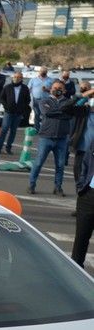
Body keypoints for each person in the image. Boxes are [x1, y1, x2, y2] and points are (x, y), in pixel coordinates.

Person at [28, 80, 75, 196]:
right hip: (46, 137)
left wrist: (57, 112)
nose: (56, 89)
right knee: (38, 163)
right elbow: (46, 113)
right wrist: (62, 112)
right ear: (51, 88)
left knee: (60, 165)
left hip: (62, 138)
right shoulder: (45, 100)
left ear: (64, 90)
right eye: (54, 87)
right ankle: (32, 185)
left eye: (59, 88)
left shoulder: (68, 102)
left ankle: (58, 187)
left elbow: (69, 115)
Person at [72, 106, 94, 268]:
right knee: (81, 237)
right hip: (88, 194)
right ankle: (76, 269)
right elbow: (86, 162)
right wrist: (82, 186)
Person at [0, 72, 30, 155]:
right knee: (4, 129)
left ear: (21, 79)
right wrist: (6, 106)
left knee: (13, 131)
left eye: (18, 77)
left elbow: (28, 100)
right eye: (15, 77)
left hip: (18, 113)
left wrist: (22, 108)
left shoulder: (25, 88)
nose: (16, 78)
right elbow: (1, 98)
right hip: (8, 112)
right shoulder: (7, 87)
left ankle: (8, 148)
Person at [28, 66, 53, 131]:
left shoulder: (50, 80)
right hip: (36, 100)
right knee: (37, 114)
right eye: (42, 71)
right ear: (39, 72)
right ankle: (36, 128)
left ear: (47, 72)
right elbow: (29, 89)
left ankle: (44, 128)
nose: (43, 72)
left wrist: (47, 89)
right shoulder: (33, 80)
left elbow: (53, 91)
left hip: (46, 100)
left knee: (45, 114)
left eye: (44, 71)